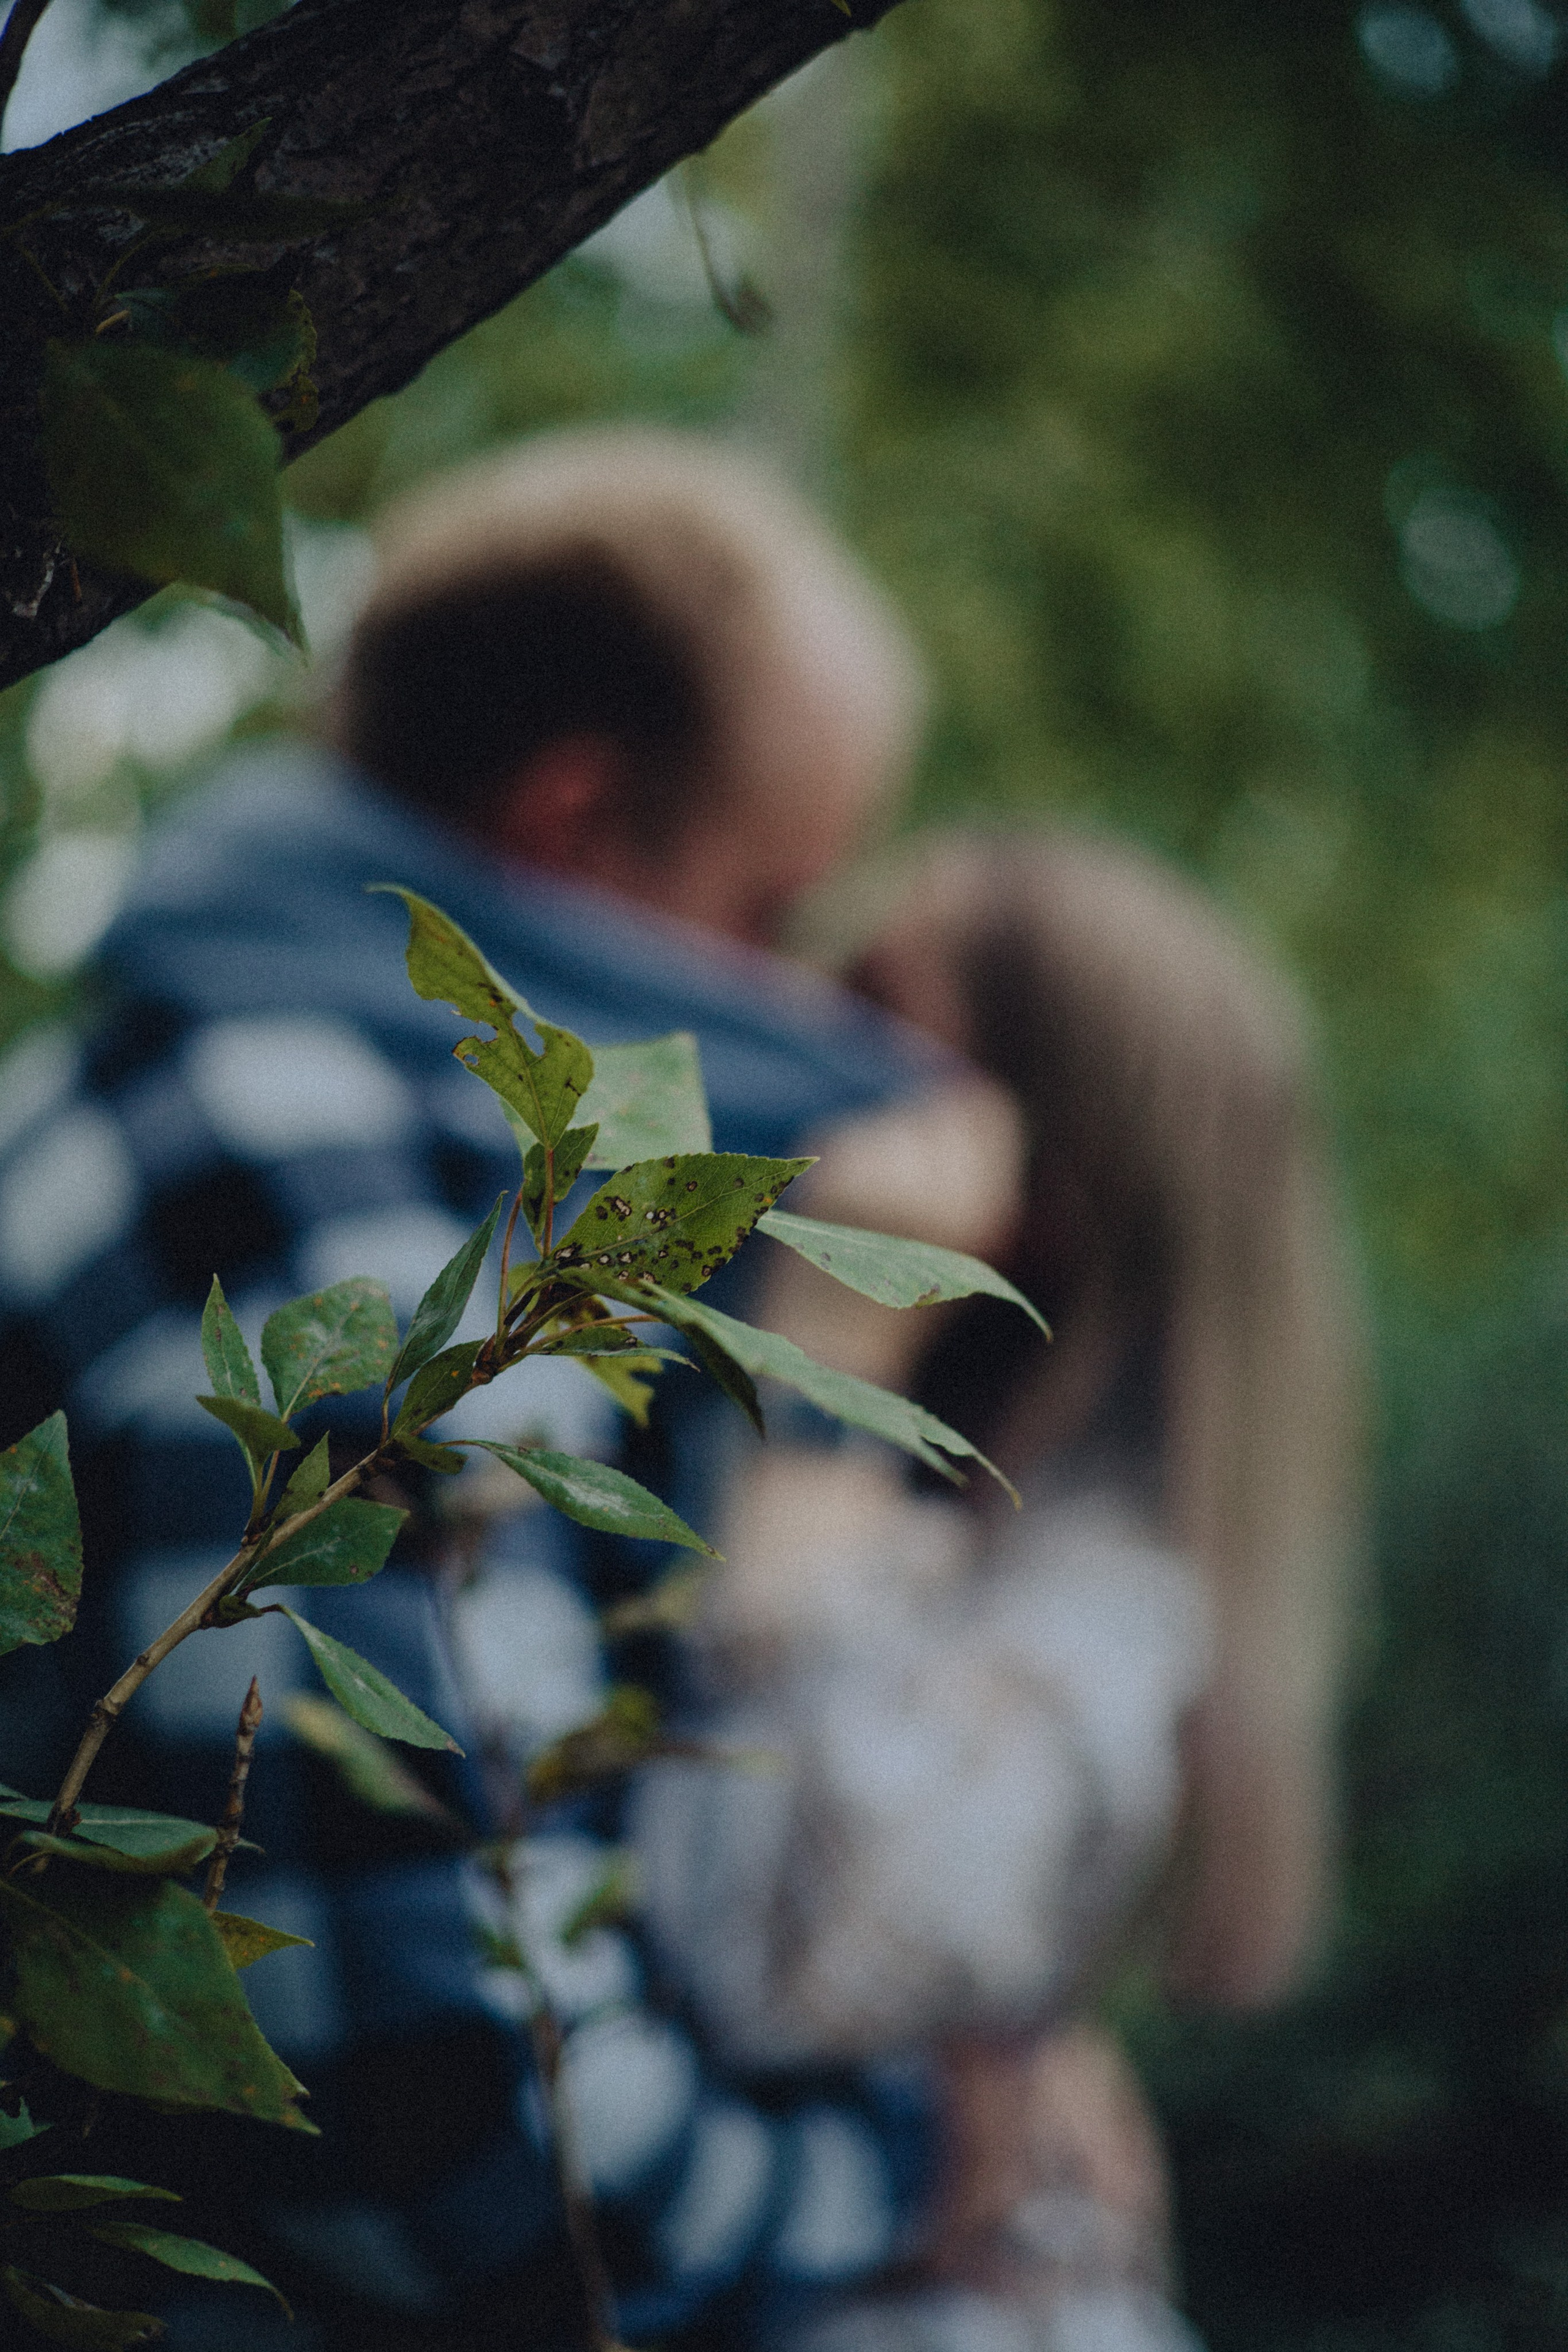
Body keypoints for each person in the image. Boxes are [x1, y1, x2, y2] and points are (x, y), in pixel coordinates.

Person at [0, 429, 1004, 2351]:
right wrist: (928, 2166)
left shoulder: (172, 1068)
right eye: (771, 914)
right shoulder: (334, 1221)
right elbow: (465, 2156)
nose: (807, 1017)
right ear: (568, 824)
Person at [636, 827, 1363, 2351]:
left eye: (872, 996)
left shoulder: (1114, 1613)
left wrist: (831, 1366)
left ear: (1042, 1175)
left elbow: (780, 1959)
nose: (794, 1014)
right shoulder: (887, 1496)